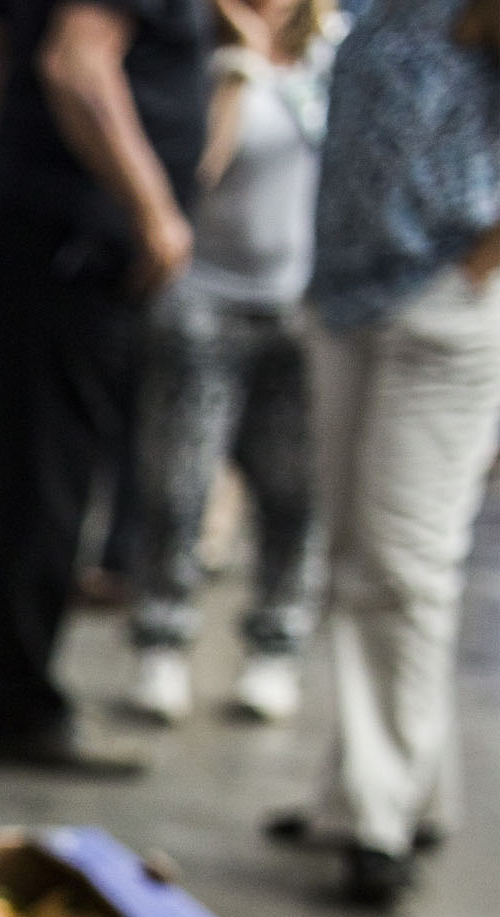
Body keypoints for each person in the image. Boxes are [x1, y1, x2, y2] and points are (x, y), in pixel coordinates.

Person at [265, 0, 500, 908]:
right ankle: (383, 787)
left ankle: (379, 818)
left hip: (443, 304)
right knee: (357, 555)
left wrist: (476, 267)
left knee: (404, 563)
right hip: (346, 301)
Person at [0, 0, 208, 771]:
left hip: (45, 216)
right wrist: (154, 209)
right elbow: (76, 64)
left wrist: (12, 130)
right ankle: (16, 702)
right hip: (71, 234)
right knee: (49, 469)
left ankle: (10, 689)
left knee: (43, 464)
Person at [121, 0, 334, 725]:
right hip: (204, 300)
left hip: (300, 308)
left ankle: (275, 646)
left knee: (292, 491)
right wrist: (238, 78)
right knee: (177, 484)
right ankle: (162, 639)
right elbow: (196, 172)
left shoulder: (333, 56)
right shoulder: (199, 61)